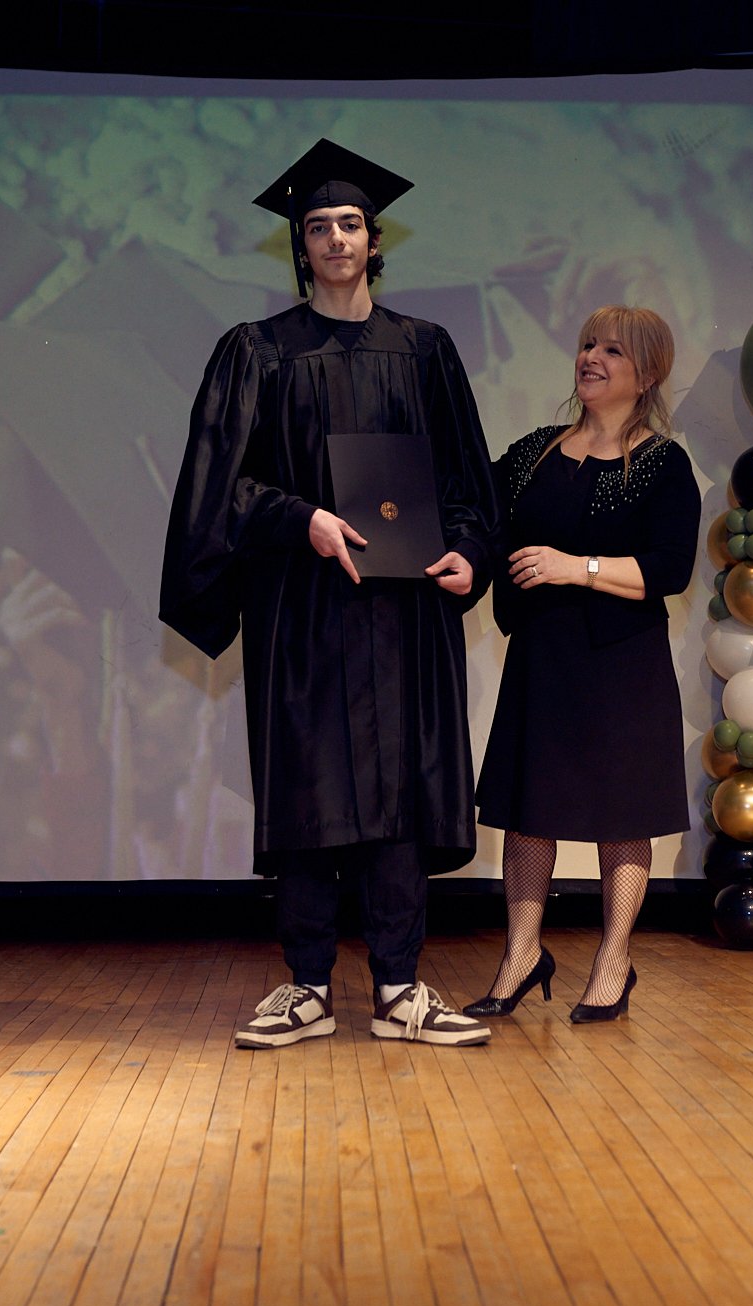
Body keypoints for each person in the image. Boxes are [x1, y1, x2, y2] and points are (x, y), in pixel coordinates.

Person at [159, 139, 501, 1049]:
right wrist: (297, 514)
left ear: (373, 238)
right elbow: (216, 488)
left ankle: (399, 987)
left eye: (350, 223)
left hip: (403, 611)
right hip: (305, 613)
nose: (337, 238)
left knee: (397, 795)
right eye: (319, 227)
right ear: (300, 247)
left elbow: (468, 482)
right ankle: (307, 985)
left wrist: (468, 550)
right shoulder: (260, 353)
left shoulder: (426, 351)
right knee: (311, 794)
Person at [466, 306, 701, 1023]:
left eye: (612, 350)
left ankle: (613, 957)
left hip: (623, 660)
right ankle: (521, 952)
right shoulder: (533, 452)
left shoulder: (663, 463)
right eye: (586, 345)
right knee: (528, 808)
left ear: (648, 371)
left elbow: (670, 568)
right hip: (543, 653)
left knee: (622, 813)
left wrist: (578, 566)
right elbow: (478, 523)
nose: (590, 357)